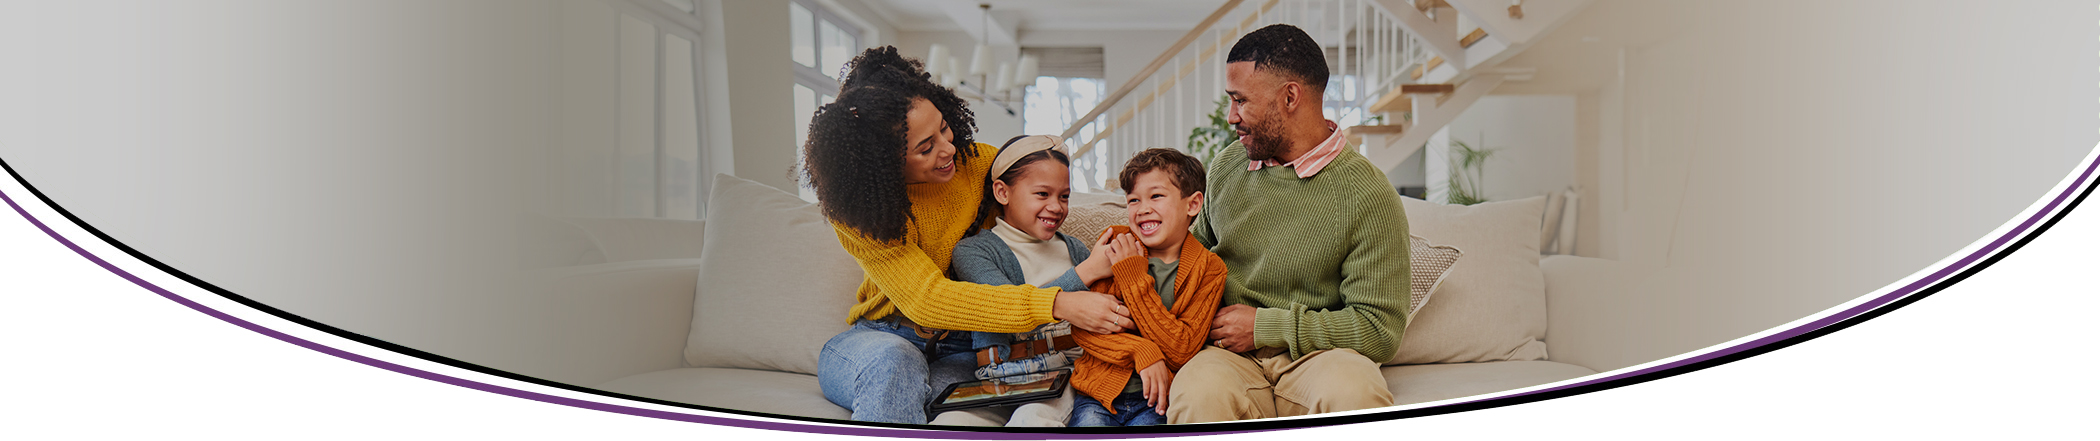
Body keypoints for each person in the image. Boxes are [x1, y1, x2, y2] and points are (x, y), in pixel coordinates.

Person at [804, 47, 1133, 424]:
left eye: (944, 128)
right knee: (895, 367)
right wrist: (1057, 304)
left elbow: (1036, 196)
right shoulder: (861, 209)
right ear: (883, 159)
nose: (948, 149)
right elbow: (926, 299)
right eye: (926, 147)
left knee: (963, 406)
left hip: (963, 347)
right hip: (883, 337)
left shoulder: (978, 163)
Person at [1167, 24, 1412, 423]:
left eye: (1240, 100)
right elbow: (1192, 263)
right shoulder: (1229, 165)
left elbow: (1378, 329)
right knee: (1197, 394)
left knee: (1355, 392)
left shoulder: (1368, 196)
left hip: (1321, 358)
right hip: (1229, 357)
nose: (1231, 116)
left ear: (1290, 96)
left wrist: (1267, 326)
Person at [942, 134, 1140, 426]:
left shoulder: (1075, 248)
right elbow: (1006, 312)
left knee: (1030, 418)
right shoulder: (974, 251)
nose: (1057, 207)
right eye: (1042, 194)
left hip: (1066, 374)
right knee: (950, 423)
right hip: (1001, 379)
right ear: (1002, 192)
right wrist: (1087, 271)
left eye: (1064, 196)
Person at [1068, 148, 1229, 427]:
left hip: (1158, 400)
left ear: (1192, 205)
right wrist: (1140, 351)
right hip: (1097, 394)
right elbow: (1083, 327)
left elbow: (1182, 349)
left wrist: (1132, 278)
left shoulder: (1209, 269)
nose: (1142, 209)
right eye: (1133, 200)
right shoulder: (1115, 245)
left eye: (1156, 196)